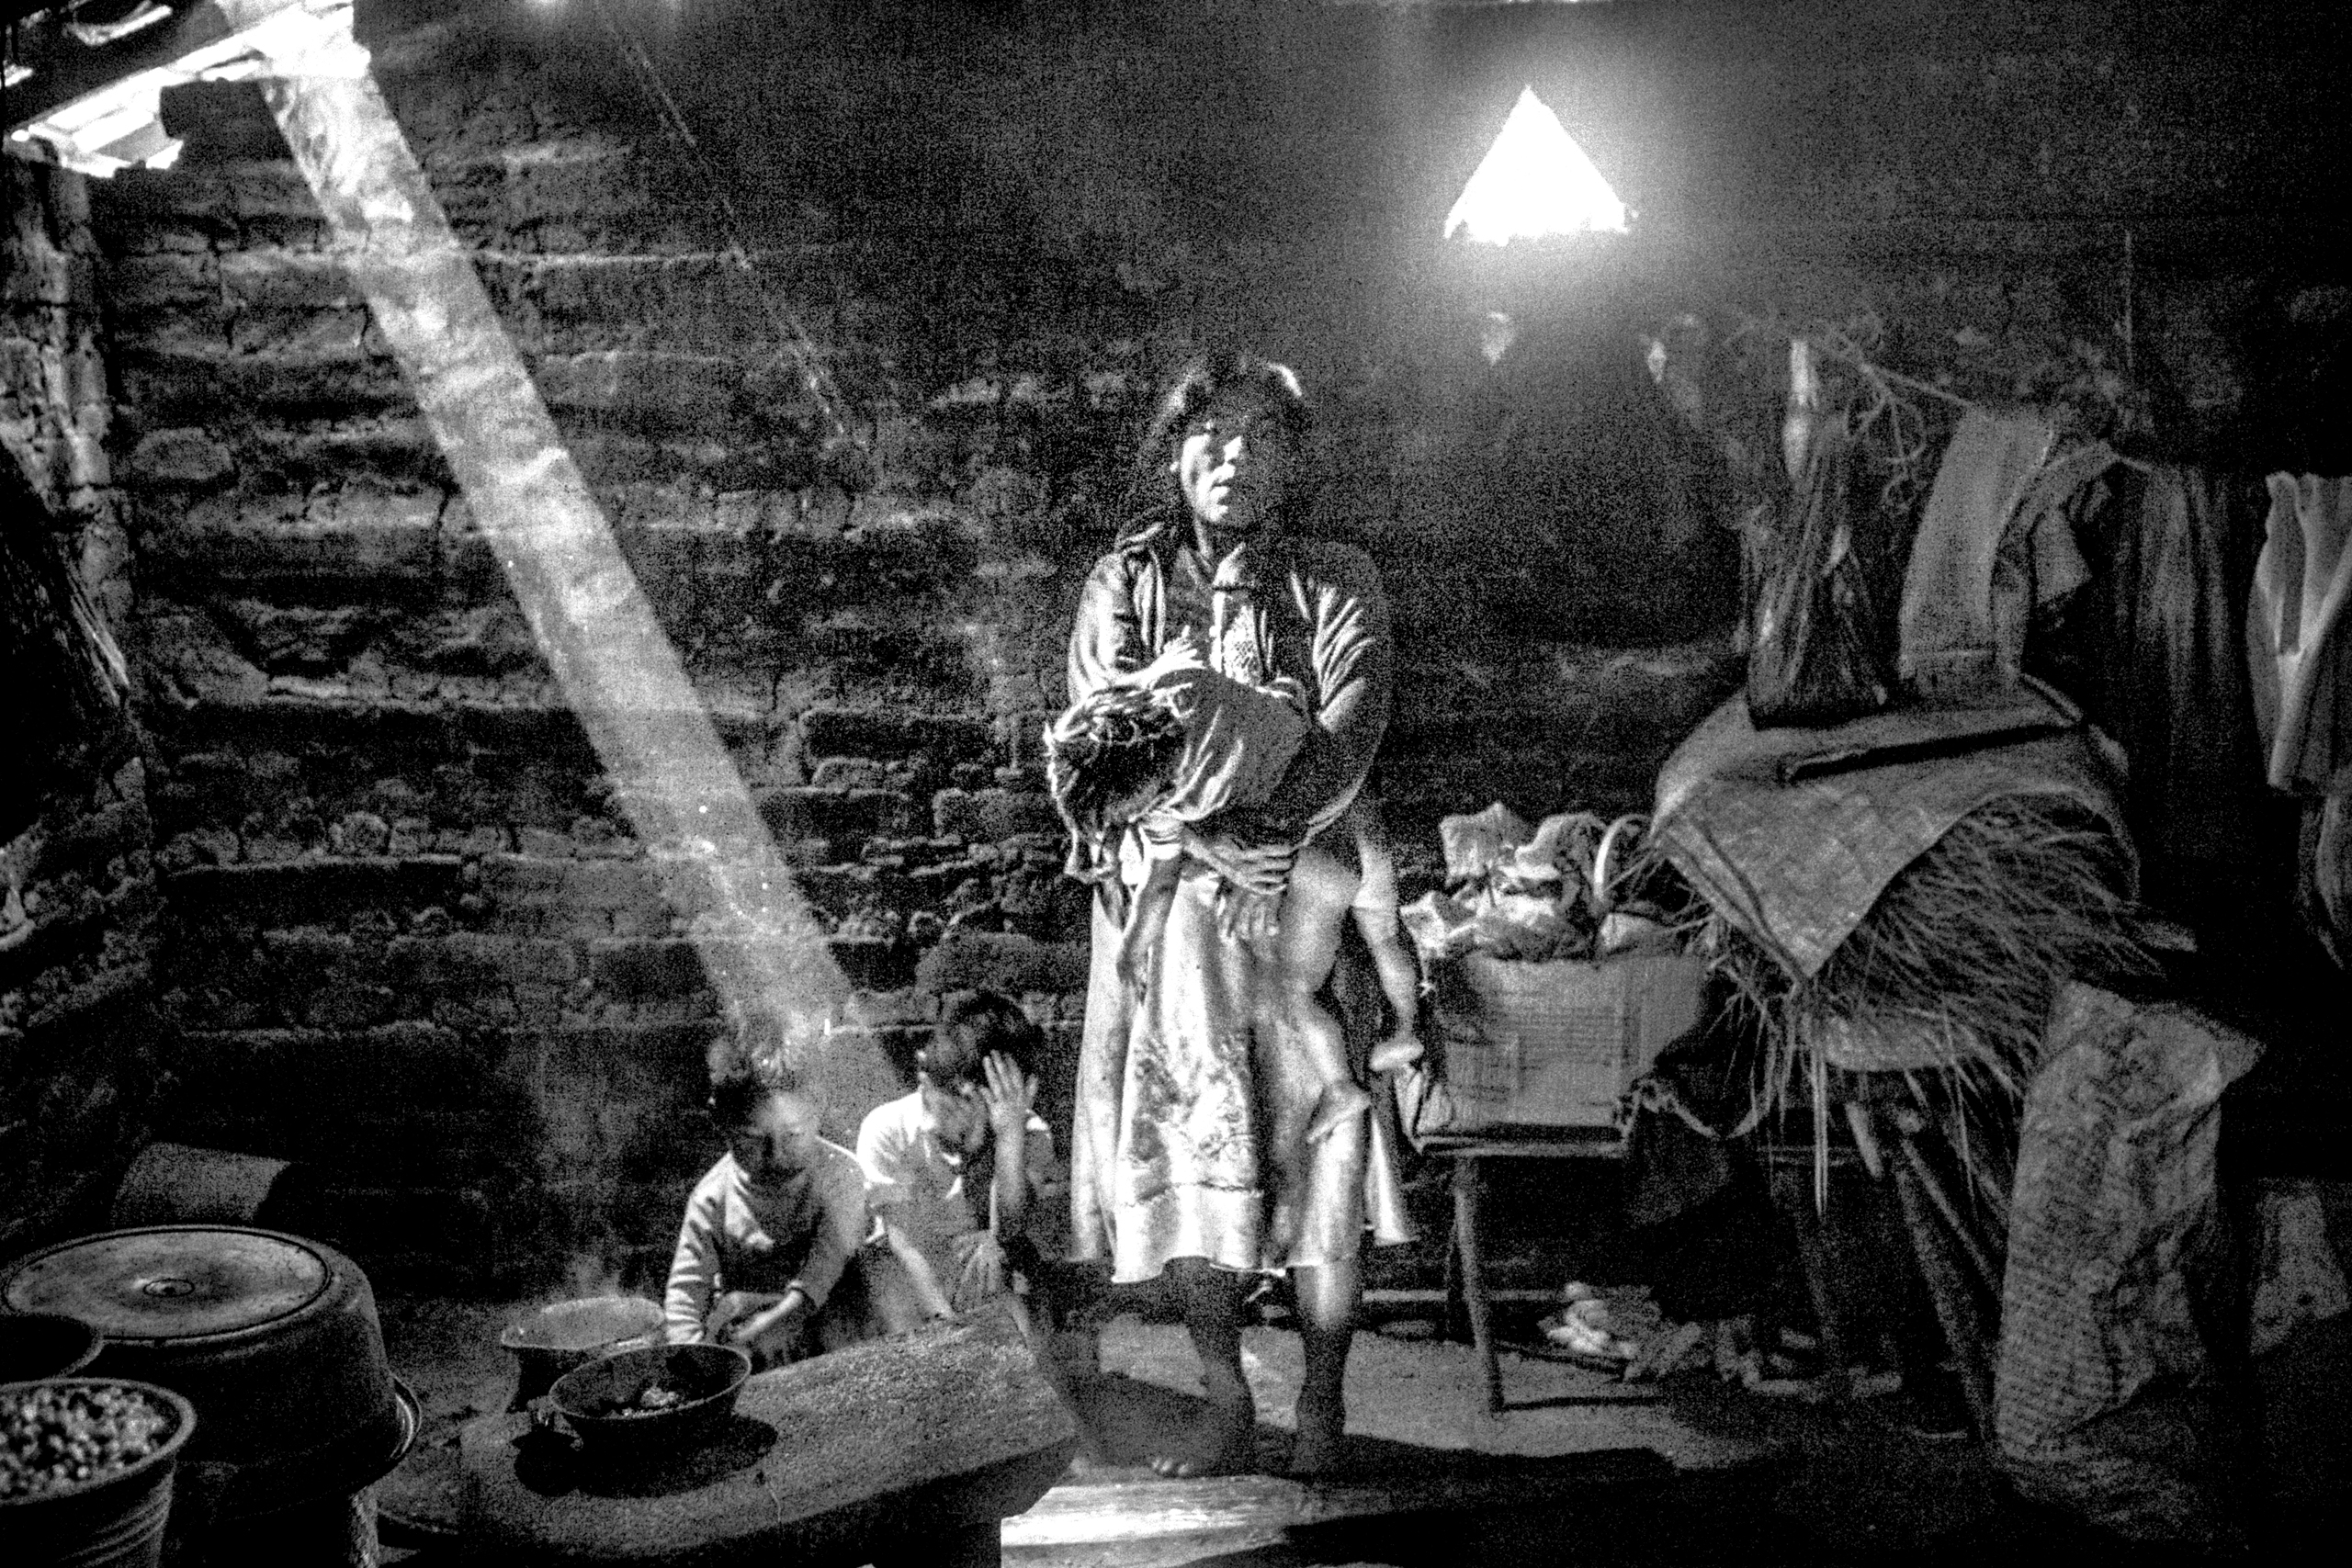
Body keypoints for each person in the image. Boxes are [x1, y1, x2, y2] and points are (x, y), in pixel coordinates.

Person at [1065, 350, 1414, 1478]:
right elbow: (1100, 736)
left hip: (1298, 906)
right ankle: (1225, 1400)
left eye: (1262, 438)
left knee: (1320, 1161)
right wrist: (1205, 830)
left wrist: (1274, 829)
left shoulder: (1335, 580)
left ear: (1291, 461)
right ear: (1175, 454)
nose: (1235, 458)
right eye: (1211, 436)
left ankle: (1321, 1401)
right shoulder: (1126, 581)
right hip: (1169, 920)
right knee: (1185, 1162)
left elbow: (1352, 729)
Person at [1045, 637, 1376, 1143]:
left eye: (1138, 811)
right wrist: (1131, 950)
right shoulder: (1152, 754)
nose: (1139, 818)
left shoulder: (1209, 748)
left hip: (1308, 818)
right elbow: (1160, 876)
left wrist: (1259, 879)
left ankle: (1341, 1085)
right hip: (1284, 810)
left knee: (1293, 988)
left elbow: (1280, 823)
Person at [856, 991, 1068, 1339]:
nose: (975, 1129)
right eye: (959, 1106)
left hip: (988, 1264)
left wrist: (1008, 1137)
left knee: (1009, 1283)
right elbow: (904, 1245)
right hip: (917, 1274)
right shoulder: (889, 1130)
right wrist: (948, 1326)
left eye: (989, 1112)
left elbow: (1010, 1230)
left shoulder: (1027, 1133)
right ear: (927, 1086)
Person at [662, 1054, 873, 1370]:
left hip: (835, 1329)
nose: (775, 1155)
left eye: (793, 1135)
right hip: (754, 1341)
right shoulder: (711, 1199)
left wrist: (778, 1322)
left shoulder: (840, 1176)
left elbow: (824, 1268)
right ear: (724, 1128)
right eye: (753, 1140)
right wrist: (694, 1360)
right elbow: (686, 1295)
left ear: (818, 1113)